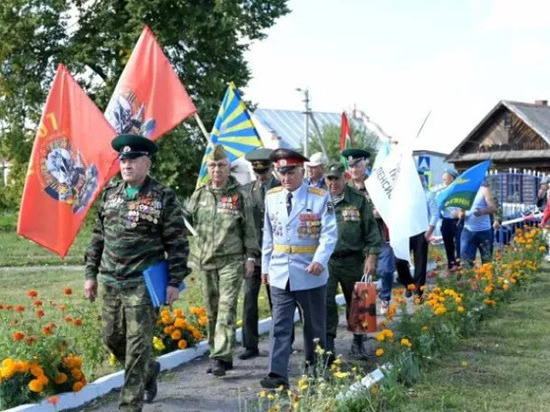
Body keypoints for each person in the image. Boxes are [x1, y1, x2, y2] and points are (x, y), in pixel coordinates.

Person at [84, 134, 190, 411]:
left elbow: (177, 242)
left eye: (133, 159)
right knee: (111, 337)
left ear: (147, 163)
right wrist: (89, 275)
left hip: (143, 282)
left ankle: (129, 405)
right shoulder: (110, 194)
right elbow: (97, 238)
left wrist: (175, 281)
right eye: (123, 159)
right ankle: (148, 370)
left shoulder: (163, 196)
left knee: (138, 345)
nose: (127, 164)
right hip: (109, 280)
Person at [260, 148, 337, 389]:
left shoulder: (319, 197)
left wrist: (320, 260)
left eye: (291, 172)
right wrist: (265, 267)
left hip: (309, 272)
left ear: (301, 171)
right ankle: (277, 374)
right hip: (280, 272)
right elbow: (268, 235)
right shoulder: (272, 196)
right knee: (280, 325)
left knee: (313, 325)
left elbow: (329, 234)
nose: (286, 178)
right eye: (281, 172)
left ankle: (315, 368)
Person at [187, 144, 259, 376]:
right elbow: (187, 220)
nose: (217, 170)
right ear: (208, 168)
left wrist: (250, 258)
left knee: (227, 309)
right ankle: (220, 354)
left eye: (221, 165)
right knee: (212, 311)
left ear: (228, 168)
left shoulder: (240, 195)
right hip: (206, 261)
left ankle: (219, 356)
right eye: (213, 165)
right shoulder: (199, 194)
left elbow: (249, 229)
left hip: (232, 261)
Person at [324, 162, 380, 361]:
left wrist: (371, 256)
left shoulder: (358, 200)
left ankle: (358, 343)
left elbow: (372, 232)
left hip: (354, 259)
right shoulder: (318, 199)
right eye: (329, 179)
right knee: (325, 302)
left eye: (336, 178)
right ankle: (328, 346)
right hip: (327, 261)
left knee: (359, 302)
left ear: (345, 178)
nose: (333, 183)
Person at [239, 148, 280, 360]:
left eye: (264, 172)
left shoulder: (281, 189)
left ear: (272, 168)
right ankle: (250, 345)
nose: (261, 176)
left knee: (278, 301)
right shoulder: (246, 191)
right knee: (249, 300)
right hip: (253, 256)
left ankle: (283, 342)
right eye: (257, 172)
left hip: (277, 255)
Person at [395, 171, 439, 298]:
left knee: (420, 263)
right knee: (399, 261)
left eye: (420, 180)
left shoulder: (428, 194)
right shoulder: (404, 195)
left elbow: (435, 214)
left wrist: (428, 232)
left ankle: (419, 293)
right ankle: (408, 283)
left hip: (421, 232)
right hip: (405, 232)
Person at [458, 181, 497, 266]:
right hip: (468, 231)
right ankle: (468, 278)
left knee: (487, 262)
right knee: (466, 262)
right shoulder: (465, 192)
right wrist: (461, 215)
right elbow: (461, 210)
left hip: (484, 232)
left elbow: (493, 208)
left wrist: (482, 212)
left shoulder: (484, 190)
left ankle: (486, 279)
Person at [440, 168, 463, 271]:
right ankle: (451, 266)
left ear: (452, 179)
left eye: (445, 179)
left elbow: (466, 205)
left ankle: (459, 266)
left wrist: (461, 213)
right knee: (448, 246)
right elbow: (437, 206)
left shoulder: (461, 190)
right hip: (447, 221)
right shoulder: (442, 191)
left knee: (460, 245)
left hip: (459, 221)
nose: (443, 181)